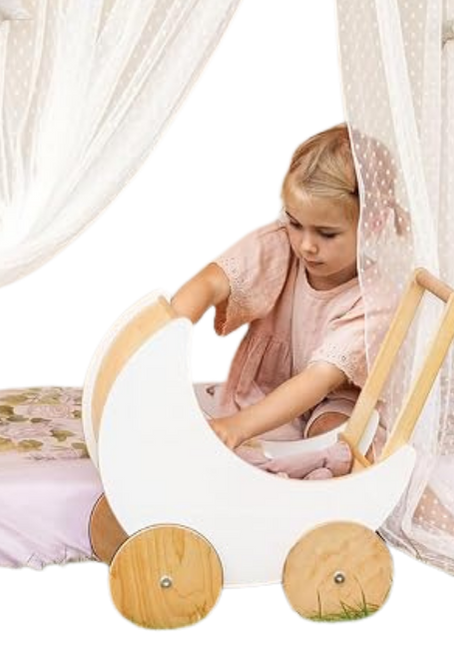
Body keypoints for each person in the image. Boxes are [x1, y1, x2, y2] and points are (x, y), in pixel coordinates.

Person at [169, 121, 399, 480]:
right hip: (266, 386)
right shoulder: (278, 244)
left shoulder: (376, 298)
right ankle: (282, 469)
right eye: (296, 223)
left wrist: (238, 427)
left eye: (326, 233)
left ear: (373, 224)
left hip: (334, 396)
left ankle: (307, 484)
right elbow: (209, 284)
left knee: (337, 437)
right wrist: (167, 343)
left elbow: (320, 380)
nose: (306, 244)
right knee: (227, 432)